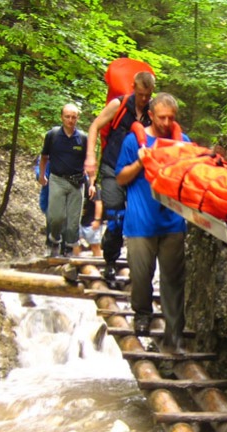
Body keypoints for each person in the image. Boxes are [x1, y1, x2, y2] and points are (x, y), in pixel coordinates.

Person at [115, 92, 188, 353]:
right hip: (140, 222)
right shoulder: (133, 141)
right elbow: (120, 177)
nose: (166, 123)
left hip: (173, 222)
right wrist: (140, 162)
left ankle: (174, 333)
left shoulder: (182, 142)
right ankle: (142, 314)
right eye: (161, 117)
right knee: (141, 275)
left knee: (173, 280)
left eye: (171, 118)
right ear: (151, 115)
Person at [86, 71, 155, 282]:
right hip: (112, 168)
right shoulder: (119, 105)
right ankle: (110, 261)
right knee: (116, 216)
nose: (144, 99)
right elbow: (95, 126)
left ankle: (139, 268)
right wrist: (90, 157)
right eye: (141, 94)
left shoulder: (153, 110)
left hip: (138, 172)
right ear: (133, 88)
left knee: (139, 218)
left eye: (148, 95)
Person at [39, 103, 89, 257]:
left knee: (73, 221)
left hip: (77, 183)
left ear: (77, 118)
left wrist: (92, 182)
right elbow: (44, 157)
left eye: (73, 117)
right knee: (56, 217)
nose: (70, 120)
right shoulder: (53, 135)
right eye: (67, 117)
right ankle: (54, 241)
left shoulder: (83, 138)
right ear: (61, 117)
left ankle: (68, 248)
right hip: (57, 179)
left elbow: (89, 161)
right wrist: (42, 175)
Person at [75, 176, 103, 257]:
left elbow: (99, 203)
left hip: (91, 220)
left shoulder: (93, 185)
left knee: (95, 245)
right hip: (77, 220)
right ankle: (77, 261)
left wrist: (97, 220)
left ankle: (98, 262)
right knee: (75, 244)